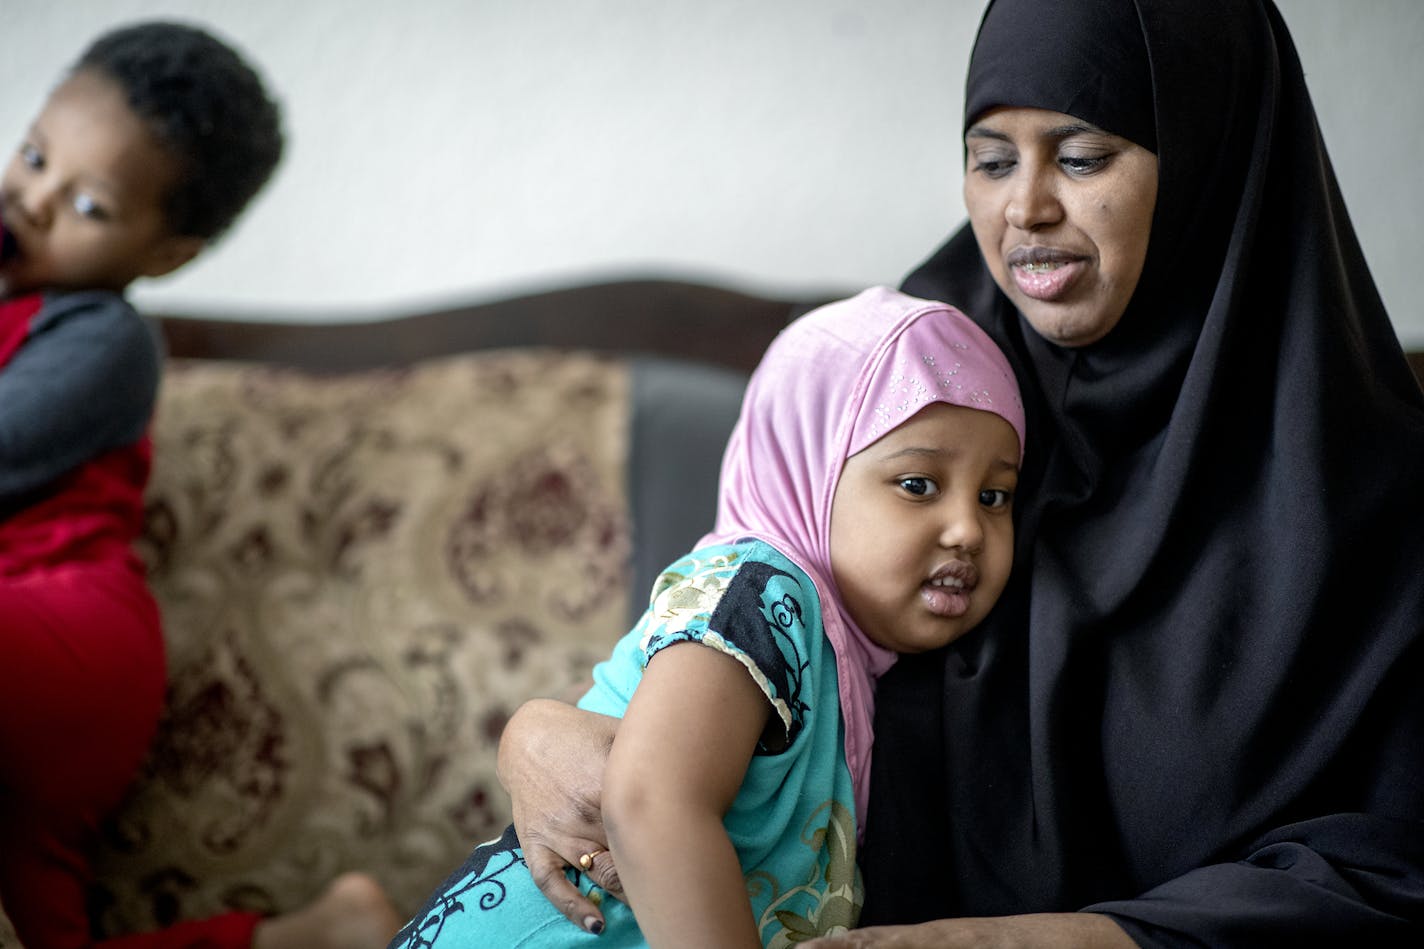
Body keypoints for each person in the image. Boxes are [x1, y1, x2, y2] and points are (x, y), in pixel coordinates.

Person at [496, 0, 1424, 945]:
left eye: (1083, 156)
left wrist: (1022, 939)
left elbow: (1396, 871)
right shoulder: (936, 372)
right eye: (989, 160)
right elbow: (729, 622)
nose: (1024, 208)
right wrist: (534, 734)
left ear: (1206, 160)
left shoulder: (1369, 498)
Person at [388, 285, 1027, 947]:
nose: (966, 529)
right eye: (918, 484)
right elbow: (651, 801)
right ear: (806, 467)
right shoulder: (759, 594)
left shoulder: (851, 663)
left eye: (995, 494)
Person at [0, 21, 401, 949]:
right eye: (32, 156)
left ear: (166, 252)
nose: (34, 200)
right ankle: (312, 936)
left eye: (90, 205)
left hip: (56, 628)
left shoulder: (105, 338)